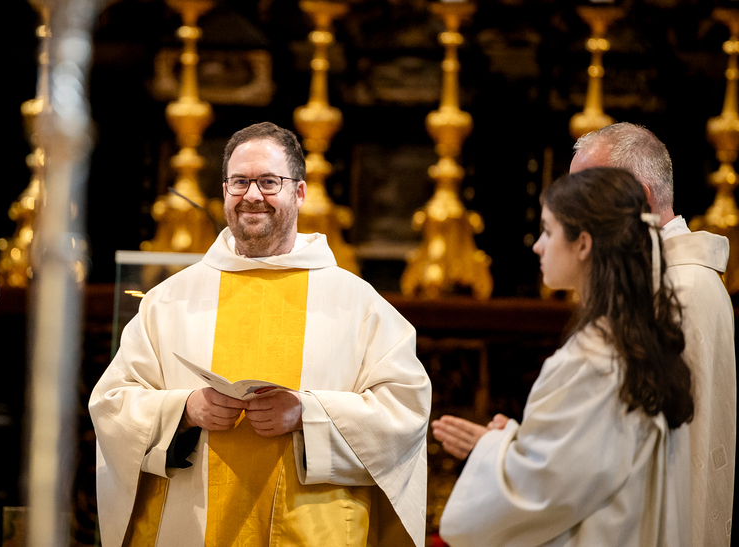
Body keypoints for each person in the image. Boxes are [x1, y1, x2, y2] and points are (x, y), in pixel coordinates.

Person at [89, 122, 431, 547]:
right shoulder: (169, 299)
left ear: (299, 192)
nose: (252, 195)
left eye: (269, 182)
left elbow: (406, 411)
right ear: (225, 191)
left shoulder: (358, 303)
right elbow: (112, 404)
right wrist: (186, 409)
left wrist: (306, 415)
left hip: (314, 532)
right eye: (240, 182)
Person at [434, 122, 736, 547]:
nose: (540, 244)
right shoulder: (664, 287)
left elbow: (574, 482)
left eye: (586, 193)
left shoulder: (671, 293)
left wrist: (496, 454)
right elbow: (603, 451)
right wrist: (519, 445)